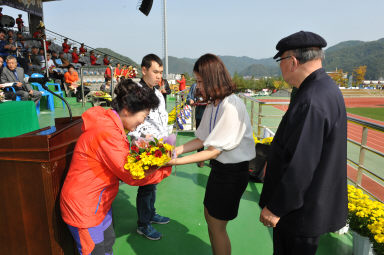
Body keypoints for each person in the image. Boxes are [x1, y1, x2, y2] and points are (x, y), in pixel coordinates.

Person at [258, 31, 348, 255]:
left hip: (298, 212)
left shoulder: (312, 99)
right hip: (307, 206)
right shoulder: (323, 89)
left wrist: (275, 208)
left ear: (292, 61)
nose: (280, 67)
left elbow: (302, 164)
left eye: (280, 60)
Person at [167, 53, 255, 255]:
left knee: (217, 226)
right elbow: (203, 138)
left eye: (200, 81)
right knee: (209, 216)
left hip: (232, 173)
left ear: (212, 79)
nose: (197, 86)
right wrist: (178, 149)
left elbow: (213, 151)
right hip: (220, 171)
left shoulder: (231, 106)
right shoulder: (215, 103)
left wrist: (175, 162)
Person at [60, 79, 161, 255]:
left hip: (100, 204)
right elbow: (130, 174)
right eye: (142, 117)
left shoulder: (111, 125)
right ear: (127, 110)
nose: (142, 122)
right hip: (85, 208)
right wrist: (166, 165)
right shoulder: (107, 133)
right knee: (95, 251)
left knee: (107, 245)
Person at [128, 54, 171, 241]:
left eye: (161, 72)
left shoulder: (158, 93)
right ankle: (143, 224)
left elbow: (162, 117)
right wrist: (148, 142)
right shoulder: (135, 92)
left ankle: (151, 213)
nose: (158, 76)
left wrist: (165, 139)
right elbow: (132, 122)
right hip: (144, 144)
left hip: (159, 143)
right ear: (144, 70)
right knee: (146, 186)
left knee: (154, 183)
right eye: (155, 72)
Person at [186, 82, 207, 167]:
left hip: (212, 114)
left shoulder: (211, 84)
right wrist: (190, 100)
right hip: (199, 114)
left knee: (213, 136)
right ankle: (201, 158)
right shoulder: (194, 86)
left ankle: (213, 158)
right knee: (200, 136)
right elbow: (189, 98)